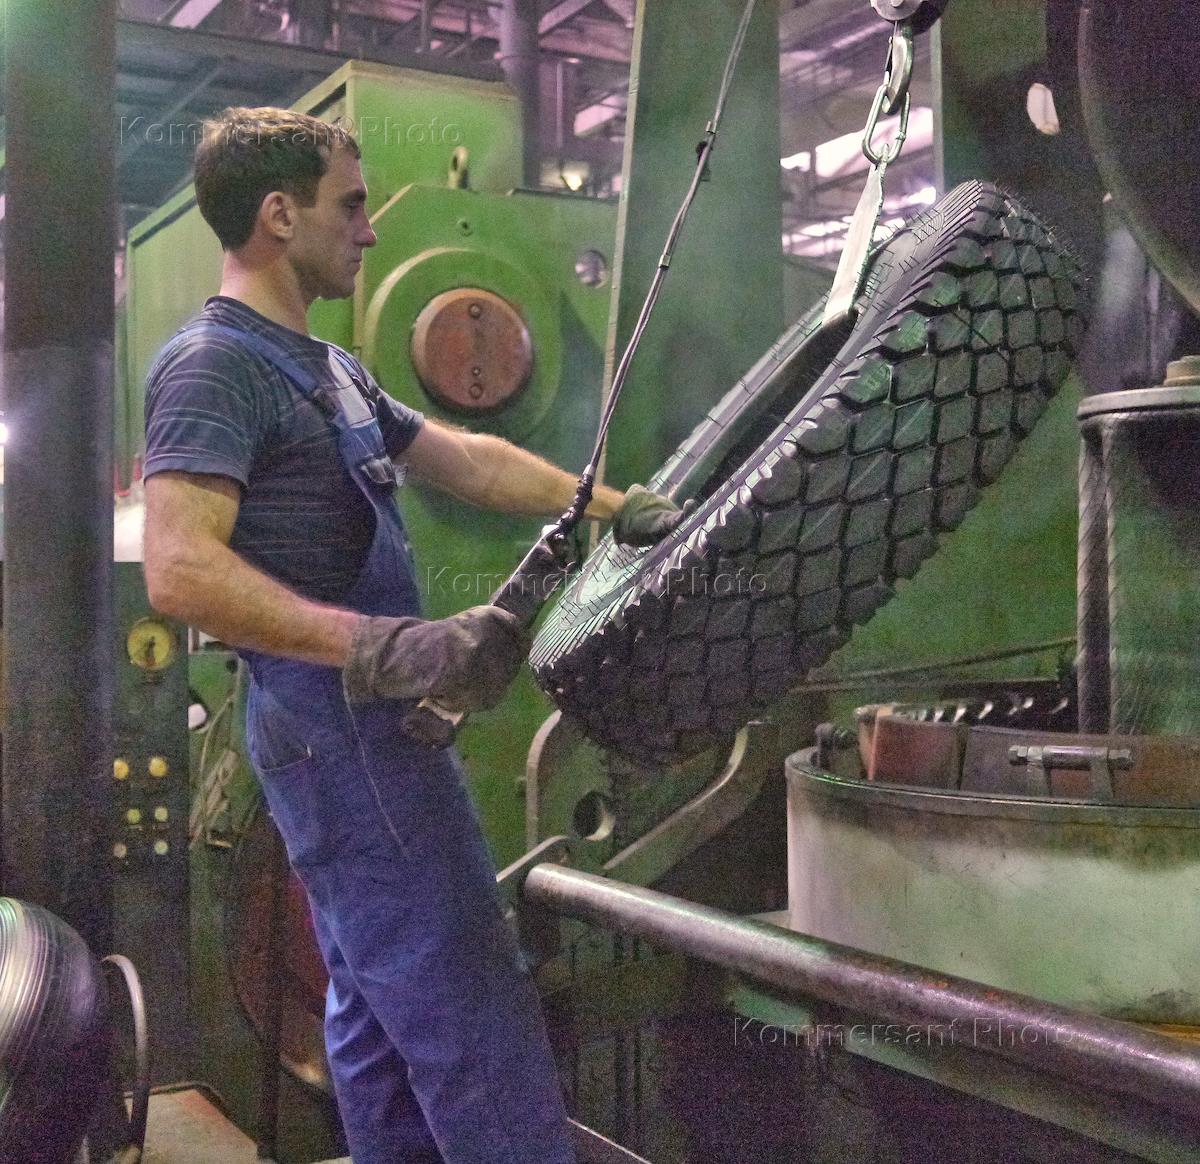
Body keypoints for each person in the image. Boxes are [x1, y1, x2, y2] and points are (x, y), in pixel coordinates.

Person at [141, 107, 684, 1164]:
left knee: (369, 998)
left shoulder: (326, 368)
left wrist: (614, 507)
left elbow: (466, 458)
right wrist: (388, 648)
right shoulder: (216, 366)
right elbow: (179, 568)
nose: (371, 229)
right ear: (279, 214)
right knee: (466, 997)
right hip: (340, 728)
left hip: (363, 729)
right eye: (350, 206)